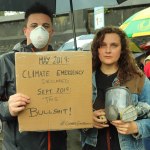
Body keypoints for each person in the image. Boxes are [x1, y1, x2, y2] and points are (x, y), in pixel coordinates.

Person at [0, 3, 67, 150]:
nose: (40, 30)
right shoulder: (7, 61)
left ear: (52, 31)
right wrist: (6, 108)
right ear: (26, 31)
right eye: (34, 25)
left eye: (45, 25)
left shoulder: (64, 64)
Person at [80, 26, 150, 150]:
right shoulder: (83, 79)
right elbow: (70, 115)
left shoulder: (138, 78)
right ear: (97, 49)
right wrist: (86, 120)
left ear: (122, 49)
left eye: (114, 45)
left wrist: (136, 127)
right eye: (102, 45)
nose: (108, 50)